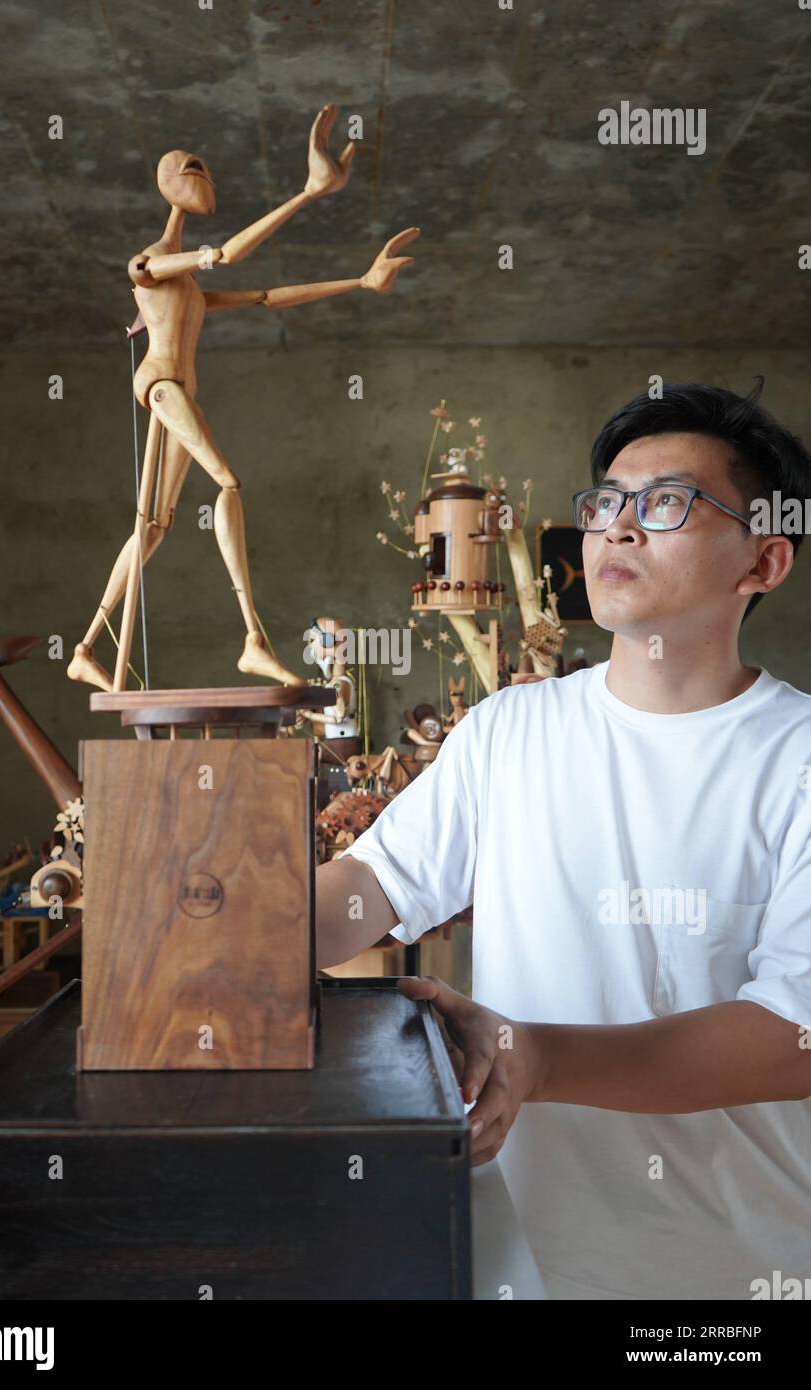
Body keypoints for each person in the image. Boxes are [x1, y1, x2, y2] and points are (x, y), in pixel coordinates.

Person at [316, 380, 811, 1301]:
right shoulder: (508, 731)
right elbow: (363, 891)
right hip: (519, 1259)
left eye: (665, 503)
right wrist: (210, 933)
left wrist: (536, 1056)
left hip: (734, 1275)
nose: (618, 528)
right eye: (605, 503)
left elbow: (795, 1036)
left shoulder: (798, 760)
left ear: (764, 562)